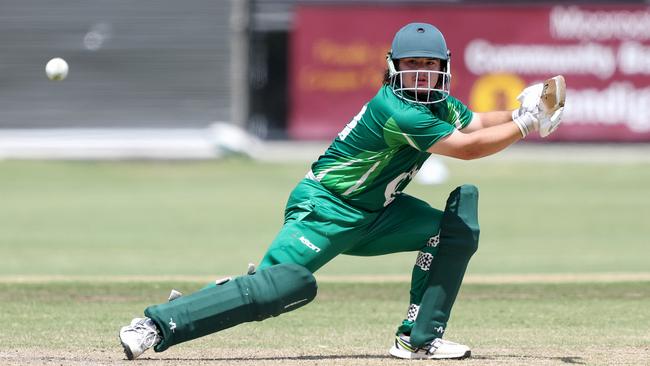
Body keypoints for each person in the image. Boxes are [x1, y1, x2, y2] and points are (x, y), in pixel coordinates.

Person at [118, 22, 565, 360]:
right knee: (281, 287)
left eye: (430, 67)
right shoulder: (399, 110)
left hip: (379, 214)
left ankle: (418, 339)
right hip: (326, 208)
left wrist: (520, 108)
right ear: (393, 66)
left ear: (443, 68)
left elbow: (474, 123)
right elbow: (466, 149)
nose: (422, 76)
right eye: (412, 66)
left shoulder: (437, 103)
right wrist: (526, 125)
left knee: (454, 227)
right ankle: (157, 324)